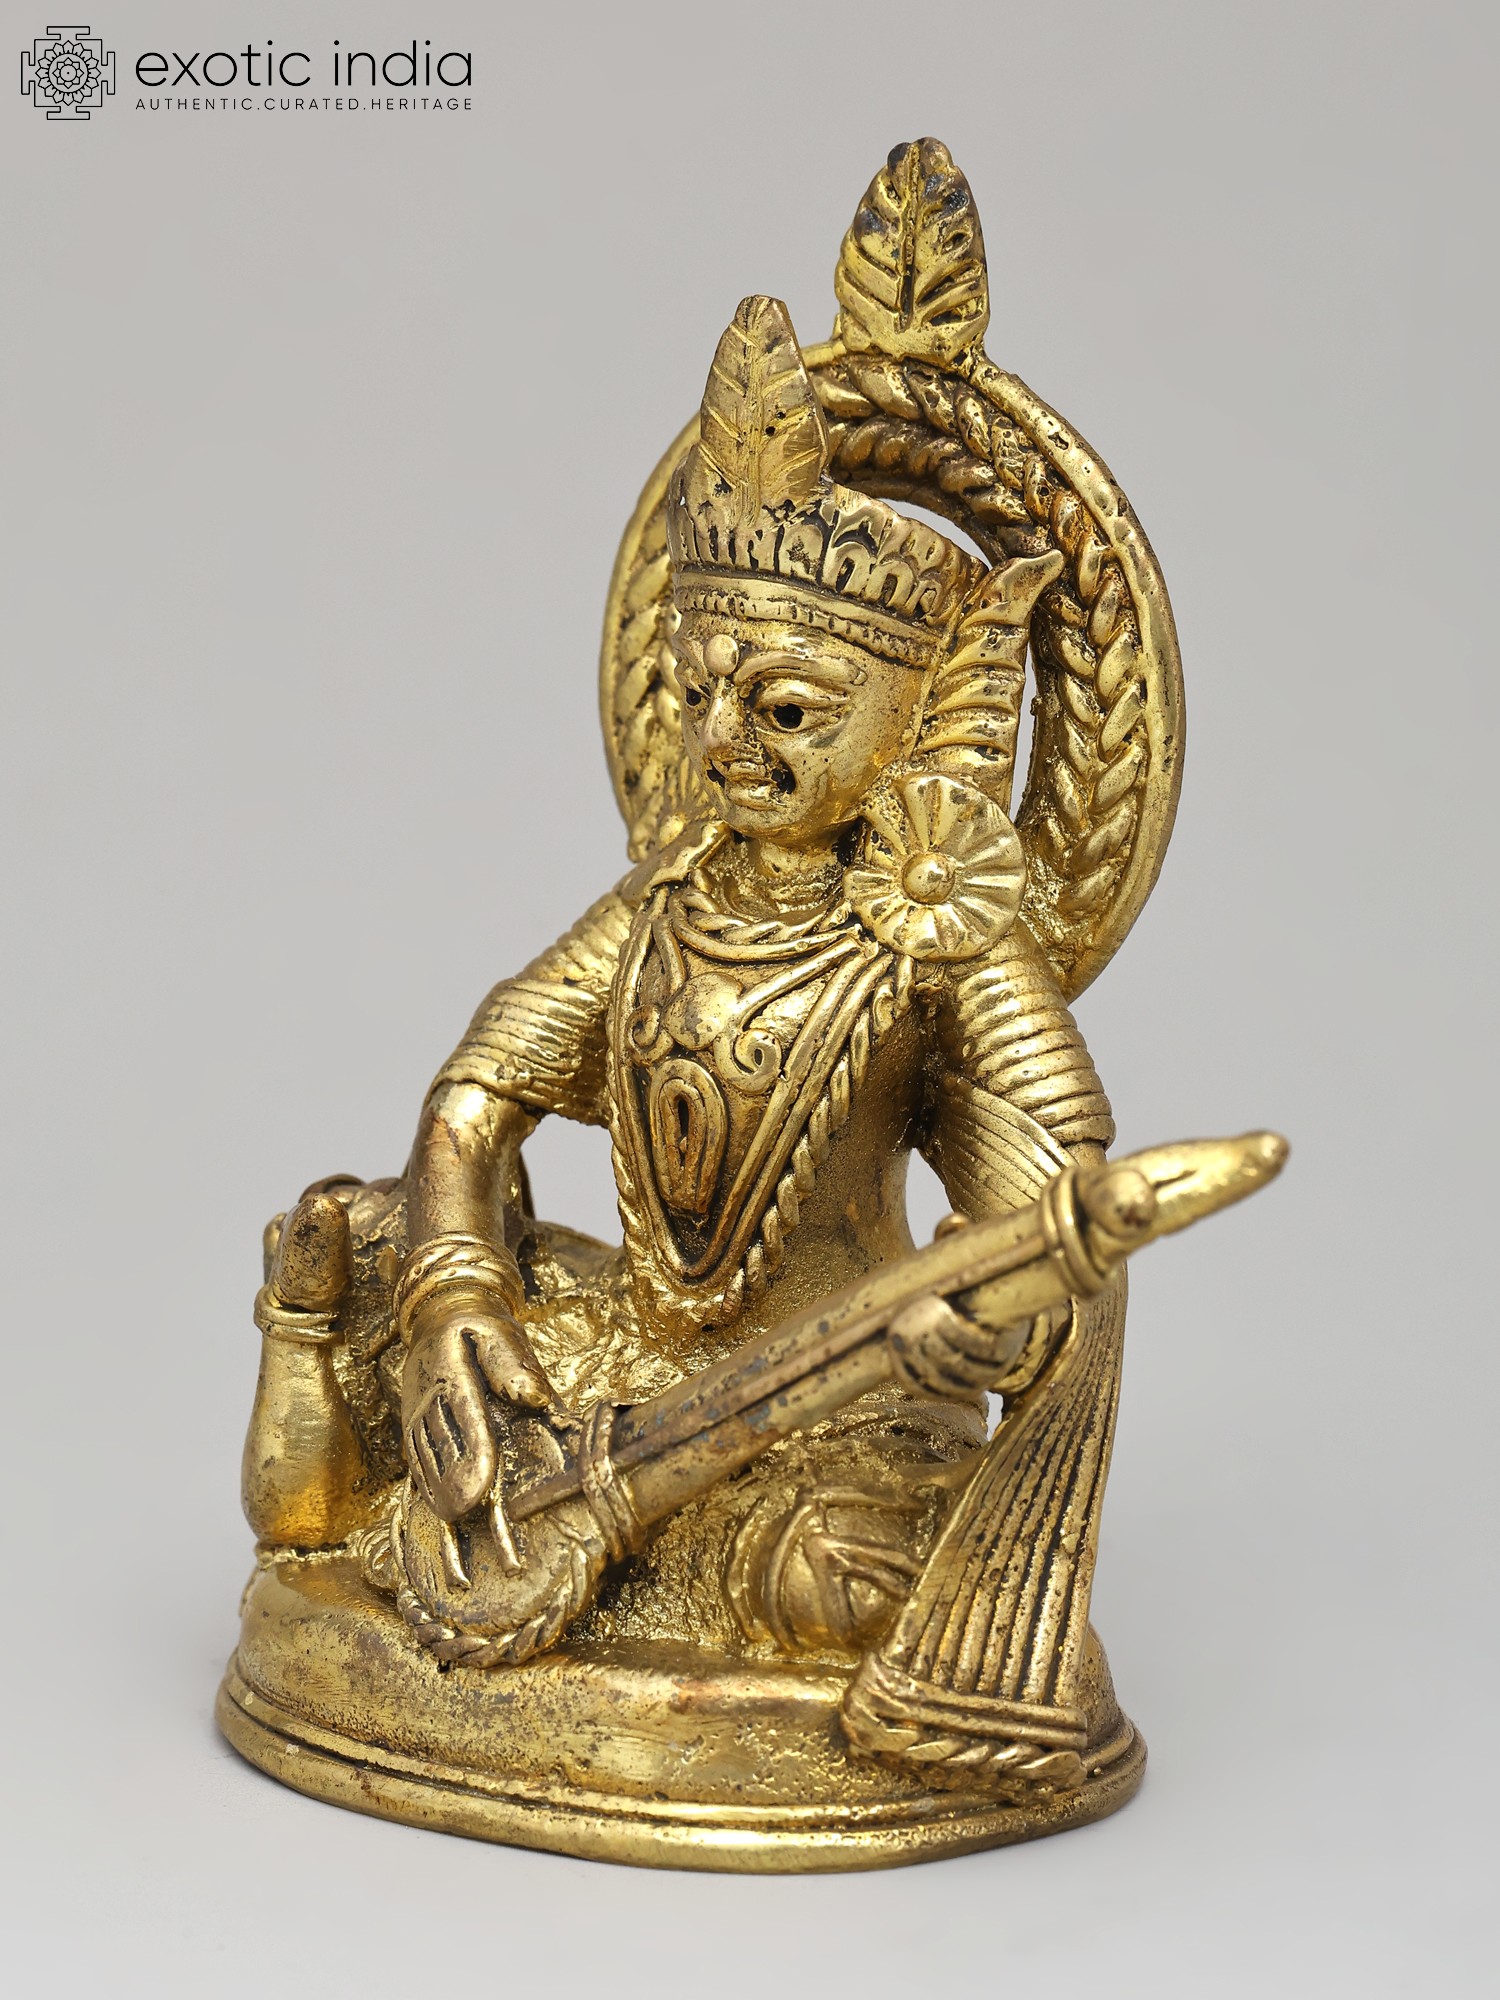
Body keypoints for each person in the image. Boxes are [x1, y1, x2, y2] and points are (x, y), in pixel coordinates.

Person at [246, 296, 1116, 1664]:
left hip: (839, 1399)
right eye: (700, 695)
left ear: (915, 725)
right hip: (628, 1348)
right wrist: (459, 1293)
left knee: (834, 1592)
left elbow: (1061, 1207)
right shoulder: (663, 903)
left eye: (787, 710)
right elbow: (476, 1096)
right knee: (358, 1242)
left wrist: (988, 1325)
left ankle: (648, 1552)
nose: (723, 741)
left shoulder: (942, 937)